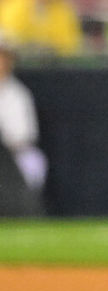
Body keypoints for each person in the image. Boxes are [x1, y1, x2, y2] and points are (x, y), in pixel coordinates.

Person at [0, 34, 47, 215]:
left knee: (33, 162)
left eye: (3, 58)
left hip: (12, 155)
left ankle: (23, 211)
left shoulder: (18, 94)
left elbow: (24, 135)